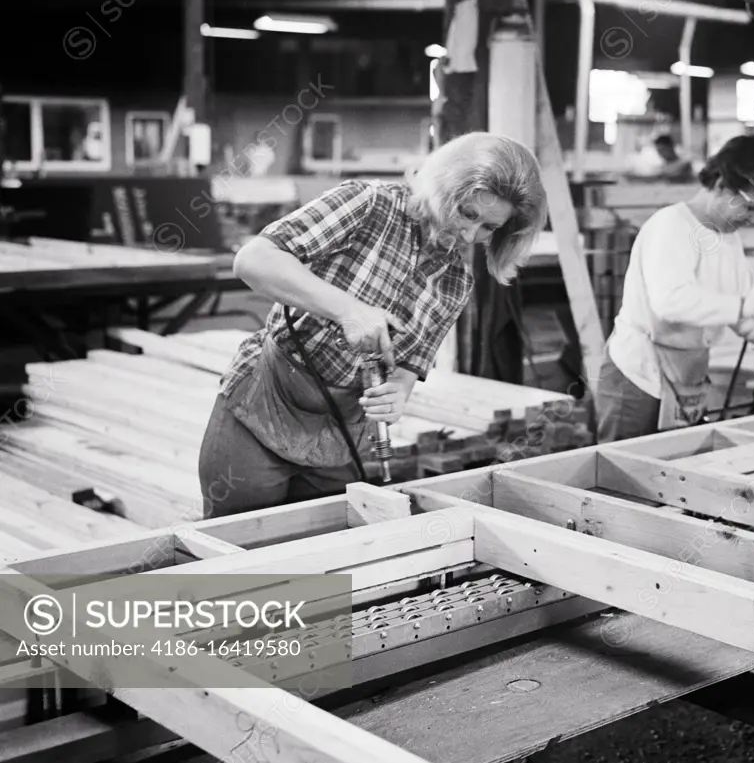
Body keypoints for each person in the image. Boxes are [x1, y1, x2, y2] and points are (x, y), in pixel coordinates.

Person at [198, 132, 547, 517]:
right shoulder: (369, 205)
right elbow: (254, 260)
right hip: (266, 401)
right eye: (467, 213)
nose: (470, 234)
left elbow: (407, 371)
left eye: (489, 228)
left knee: (319, 555)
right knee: (237, 546)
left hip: (341, 433)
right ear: (445, 184)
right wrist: (348, 310)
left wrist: (396, 395)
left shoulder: (455, 282)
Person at [594, 133, 754, 443]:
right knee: (618, 476)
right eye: (748, 208)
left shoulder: (728, 238)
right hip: (638, 377)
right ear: (719, 186)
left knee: (669, 476)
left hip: (686, 378)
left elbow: (748, 313)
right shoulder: (670, 227)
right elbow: (672, 302)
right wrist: (752, 307)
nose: (750, 219)